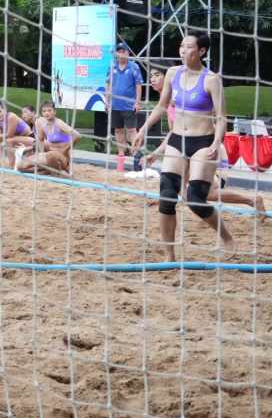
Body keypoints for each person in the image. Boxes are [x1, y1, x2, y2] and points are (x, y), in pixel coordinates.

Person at [136, 31, 233, 260]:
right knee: (167, 196)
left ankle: (226, 236)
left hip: (204, 142)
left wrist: (217, 141)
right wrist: (143, 129)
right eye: (181, 46)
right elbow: (161, 106)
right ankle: (170, 255)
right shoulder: (172, 73)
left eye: (189, 47)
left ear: (201, 51)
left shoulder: (211, 79)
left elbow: (221, 117)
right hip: (178, 140)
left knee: (195, 200)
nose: (183, 50)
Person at [145, 136, 266, 218]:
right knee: (190, 189)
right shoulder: (188, 132)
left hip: (216, 173)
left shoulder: (196, 133)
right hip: (211, 169)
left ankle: (251, 200)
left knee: (201, 193)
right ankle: (251, 200)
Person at [106, 42, 145, 171]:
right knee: (118, 130)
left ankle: (136, 157)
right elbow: (108, 84)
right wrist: (107, 100)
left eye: (124, 51)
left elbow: (139, 85)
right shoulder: (112, 66)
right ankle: (121, 158)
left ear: (128, 53)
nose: (121, 54)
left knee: (132, 131)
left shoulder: (134, 66)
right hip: (115, 104)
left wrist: (138, 102)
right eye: (119, 51)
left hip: (129, 105)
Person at [17, 101, 80, 175]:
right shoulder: (42, 124)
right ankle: (47, 171)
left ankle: (58, 170)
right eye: (44, 111)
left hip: (62, 157)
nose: (47, 113)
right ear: (42, 113)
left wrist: (65, 149)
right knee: (20, 166)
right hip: (49, 154)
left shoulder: (59, 123)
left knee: (51, 155)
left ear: (54, 112)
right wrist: (40, 154)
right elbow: (40, 140)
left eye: (49, 110)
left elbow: (77, 135)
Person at [0, 101, 33, 168]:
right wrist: (2, 160)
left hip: (30, 138)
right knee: (5, 142)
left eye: (0, 112)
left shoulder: (11, 117)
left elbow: (9, 135)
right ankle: (12, 164)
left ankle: (12, 165)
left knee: (9, 140)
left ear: (5, 110)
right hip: (17, 139)